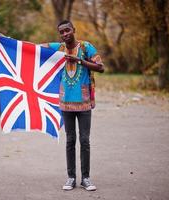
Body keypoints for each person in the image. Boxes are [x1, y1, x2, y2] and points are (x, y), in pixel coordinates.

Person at [44, 20, 104, 191]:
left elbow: (101, 67)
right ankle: (71, 177)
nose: (65, 34)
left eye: (67, 30)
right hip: (66, 103)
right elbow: (35, 48)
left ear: (73, 30)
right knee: (70, 140)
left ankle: (86, 178)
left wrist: (80, 61)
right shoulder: (59, 48)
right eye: (61, 32)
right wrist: (9, 41)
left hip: (84, 102)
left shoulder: (86, 47)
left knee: (84, 140)